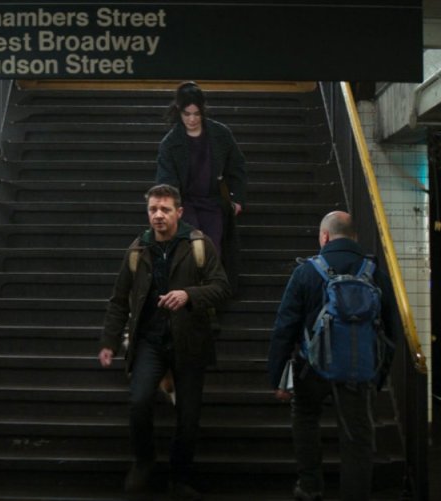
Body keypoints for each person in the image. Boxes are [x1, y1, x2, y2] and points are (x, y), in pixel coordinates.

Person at [98, 184, 232, 500]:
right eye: (153, 210)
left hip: (190, 341)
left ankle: (180, 477)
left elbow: (222, 287)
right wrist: (110, 342)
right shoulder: (137, 249)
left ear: (179, 212)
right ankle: (144, 462)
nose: (158, 215)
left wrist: (189, 295)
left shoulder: (199, 244)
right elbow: (119, 300)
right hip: (149, 341)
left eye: (165, 209)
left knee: (188, 415)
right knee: (139, 401)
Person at [266, 211, 400, 501]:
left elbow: (285, 325)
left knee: (305, 419)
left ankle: (310, 487)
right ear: (354, 237)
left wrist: (278, 377)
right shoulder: (374, 271)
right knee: (358, 437)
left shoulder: (306, 271)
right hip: (357, 369)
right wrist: (378, 375)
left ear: (324, 236)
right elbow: (392, 329)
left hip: (310, 368)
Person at [156, 82, 247, 283]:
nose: (192, 119)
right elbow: (166, 181)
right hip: (185, 203)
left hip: (212, 201)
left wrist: (237, 198)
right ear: (179, 112)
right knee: (192, 247)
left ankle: (212, 292)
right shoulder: (170, 144)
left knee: (213, 247)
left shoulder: (220, 134)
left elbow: (237, 167)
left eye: (196, 114)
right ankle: (195, 293)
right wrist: (171, 209)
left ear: (203, 110)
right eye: (187, 114)